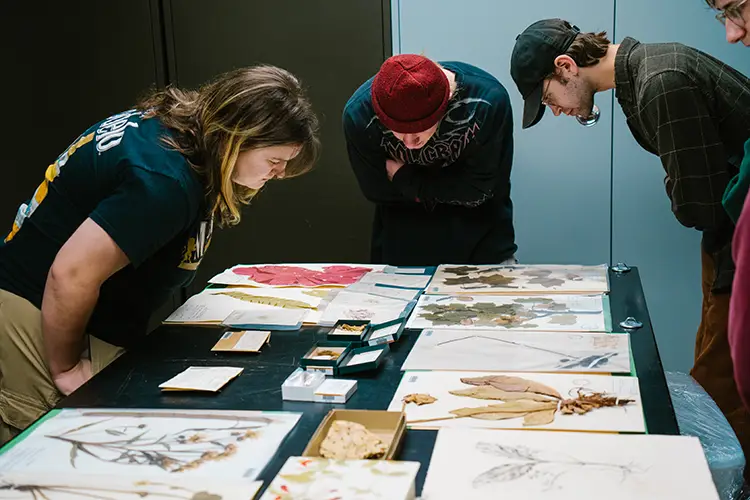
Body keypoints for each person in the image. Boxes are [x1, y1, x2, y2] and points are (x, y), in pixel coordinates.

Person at [0, 66, 320, 445]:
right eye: (274, 160)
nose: (280, 173)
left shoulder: (175, 134)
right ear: (240, 135)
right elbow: (71, 274)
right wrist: (67, 367)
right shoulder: (165, 180)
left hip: (61, 315)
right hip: (37, 321)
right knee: (49, 454)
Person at [510, 19, 750, 460]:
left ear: (566, 66)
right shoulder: (643, 73)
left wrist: (679, 189)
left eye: (549, 98)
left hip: (739, 236)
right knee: (714, 368)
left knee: (724, 388)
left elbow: (698, 206)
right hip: (728, 235)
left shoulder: (660, 82)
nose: (558, 111)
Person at [342, 54, 516, 266]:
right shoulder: (359, 113)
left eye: (418, 131)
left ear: (447, 102)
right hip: (404, 247)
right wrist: (452, 185)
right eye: (397, 130)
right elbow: (377, 191)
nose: (409, 143)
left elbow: (478, 189)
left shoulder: (487, 101)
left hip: (483, 245)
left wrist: (405, 178)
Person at [703, 0, 750, 415]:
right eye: (724, 15)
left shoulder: (660, 78)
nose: (733, 34)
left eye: (738, 8)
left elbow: (694, 203)